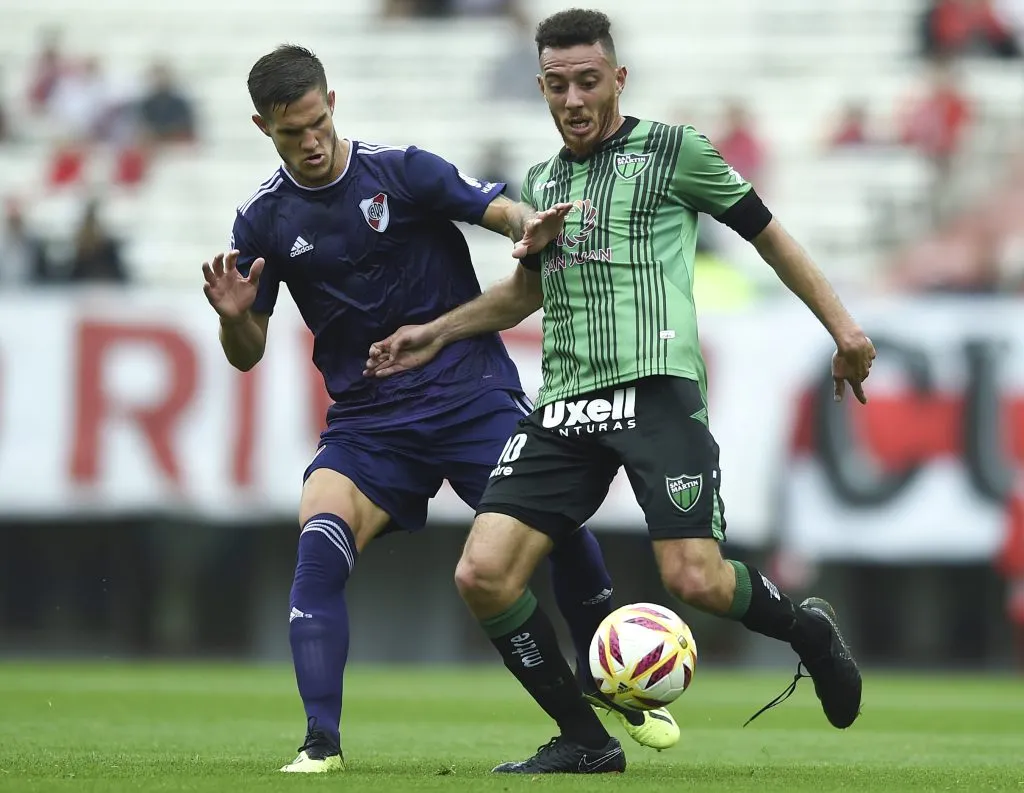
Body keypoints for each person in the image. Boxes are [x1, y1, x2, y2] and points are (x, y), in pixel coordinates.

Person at [365, 8, 875, 775]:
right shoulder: (540, 183)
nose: (572, 99)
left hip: (658, 390)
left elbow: (768, 234)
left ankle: (807, 631)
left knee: (693, 578)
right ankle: (586, 739)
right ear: (541, 86)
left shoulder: (675, 151)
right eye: (558, 84)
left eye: (588, 82)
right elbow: (522, 296)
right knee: (482, 574)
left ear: (619, 80)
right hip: (568, 405)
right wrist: (434, 330)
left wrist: (845, 329)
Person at [199, 44, 680, 774]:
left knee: (555, 529)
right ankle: (320, 742)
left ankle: (607, 678)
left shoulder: (402, 170)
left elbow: (497, 206)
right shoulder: (262, 220)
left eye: (319, 120)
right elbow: (246, 352)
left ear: (333, 100)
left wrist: (528, 223)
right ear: (262, 126)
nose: (313, 140)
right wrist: (236, 318)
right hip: (368, 422)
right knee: (318, 541)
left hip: (468, 394)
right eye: (292, 131)